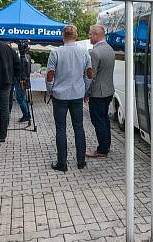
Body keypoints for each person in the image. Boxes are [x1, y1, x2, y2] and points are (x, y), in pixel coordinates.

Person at [46, 25, 93, 172]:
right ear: (76, 35)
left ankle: (62, 163)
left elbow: (50, 75)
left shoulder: (56, 53)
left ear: (63, 36)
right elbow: (89, 75)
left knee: (61, 129)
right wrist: (84, 90)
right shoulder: (84, 53)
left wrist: (50, 91)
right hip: (77, 95)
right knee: (79, 127)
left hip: (60, 95)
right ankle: (80, 161)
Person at [85, 24, 115, 158]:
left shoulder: (94, 52)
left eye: (90, 34)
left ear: (96, 35)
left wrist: (86, 94)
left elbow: (91, 76)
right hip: (108, 91)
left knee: (98, 121)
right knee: (104, 119)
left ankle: (102, 150)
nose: (89, 36)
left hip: (98, 93)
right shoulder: (110, 49)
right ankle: (106, 145)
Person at [13, 41, 31, 123]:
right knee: (21, 98)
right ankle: (26, 114)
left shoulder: (24, 58)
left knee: (21, 98)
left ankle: (26, 114)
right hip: (22, 80)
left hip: (21, 80)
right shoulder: (26, 57)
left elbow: (23, 71)